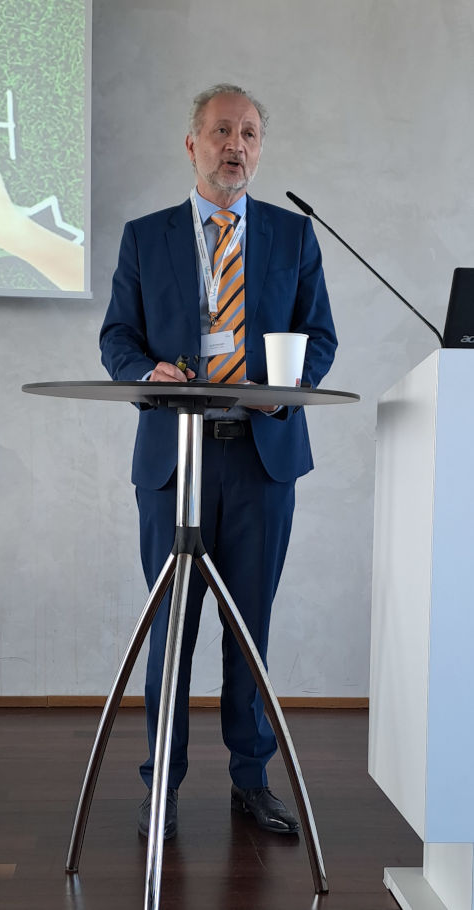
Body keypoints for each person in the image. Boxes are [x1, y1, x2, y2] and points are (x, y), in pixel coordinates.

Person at [99, 83, 337, 840]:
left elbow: (320, 337)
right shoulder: (147, 236)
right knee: (171, 630)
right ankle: (161, 785)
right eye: (223, 131)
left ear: (260, 149)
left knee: (249, 630)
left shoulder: (294, 236)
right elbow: (117, 338)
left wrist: (287, 390)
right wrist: (147, 372)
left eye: (251, 134)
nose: (237, 145)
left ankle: (251, 781)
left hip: (262, 460)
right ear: (192, 144)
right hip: (175, 460)